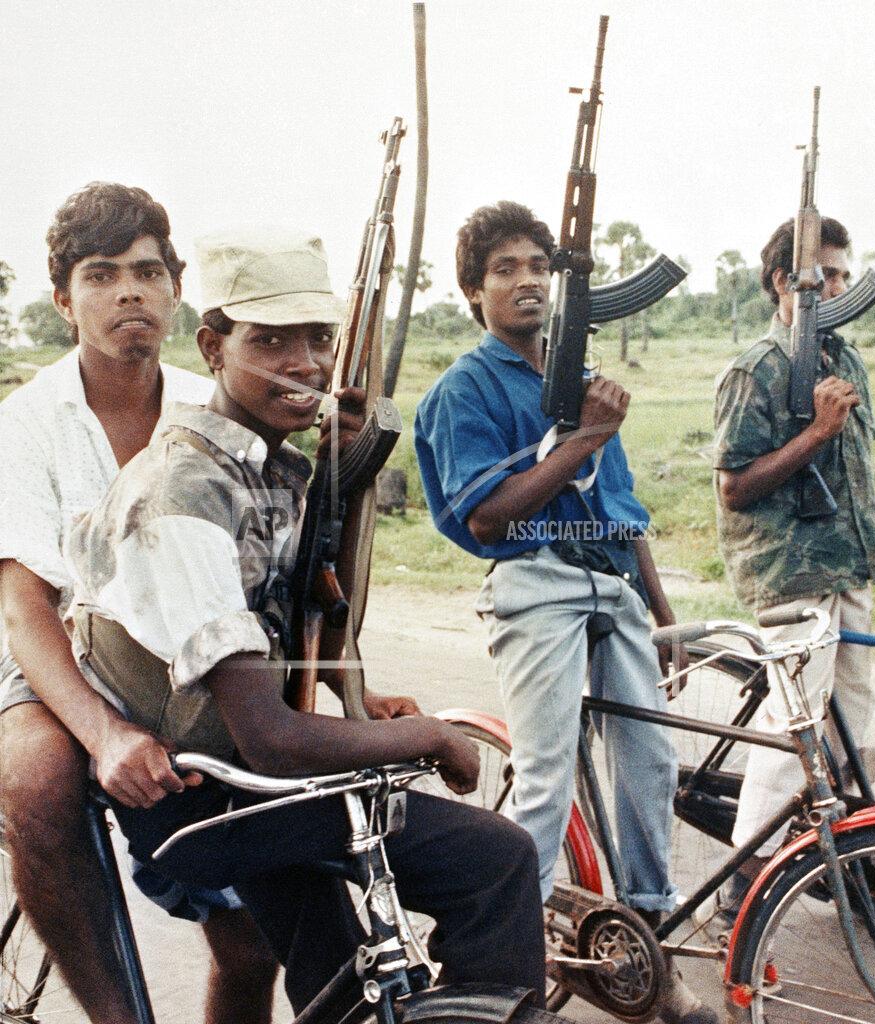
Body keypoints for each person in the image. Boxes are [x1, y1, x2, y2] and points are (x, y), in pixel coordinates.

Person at [62, 226, 547, 1014]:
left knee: (339, 982)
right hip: (209, 799)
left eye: (318, 339)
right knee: (497, 861)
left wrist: (363, 701)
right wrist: (426, 736)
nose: (304, 364)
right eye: (272, 340)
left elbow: (284, 633)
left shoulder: (268, 469)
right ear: (214, 346)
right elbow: (273, 739)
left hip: (243, 784)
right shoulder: (185, 495)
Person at [414, 200, 717, 1024]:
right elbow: (487, 519)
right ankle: (507, 972)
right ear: (474, 291)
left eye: (538, 267)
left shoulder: (584, 383)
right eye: (506, 269)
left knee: (651, 764)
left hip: (611, 583)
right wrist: (581, 438)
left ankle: (649, 943)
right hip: (535, 582)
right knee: (546, 777)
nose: (528, 283)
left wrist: (662, 616)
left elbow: (624, 509)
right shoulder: (461, 391)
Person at [0, 182, 286, 1024]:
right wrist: (105, 732)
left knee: (257, 942)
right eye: (100, 274)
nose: (128, 290)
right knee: (37, 776)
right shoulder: (24, 423)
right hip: (59, 663)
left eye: (146, 270)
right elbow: (23, 608)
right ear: (64, 300)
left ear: (174, 287)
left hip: (192, 662)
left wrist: (348, 688)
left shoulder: (215, 405)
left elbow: (276, 575)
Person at [712, 216, 875, 918]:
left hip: (844, 569)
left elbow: (858, 472)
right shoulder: (758, 367)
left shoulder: (845, 362)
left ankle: (855, 853)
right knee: (796, 734)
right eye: (828, 274)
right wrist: (815, 431)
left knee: (855, 719)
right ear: (785, 281)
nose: (840, 287)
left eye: (846, 274)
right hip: (788, 574)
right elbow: (734, 486)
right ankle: (743, 880)